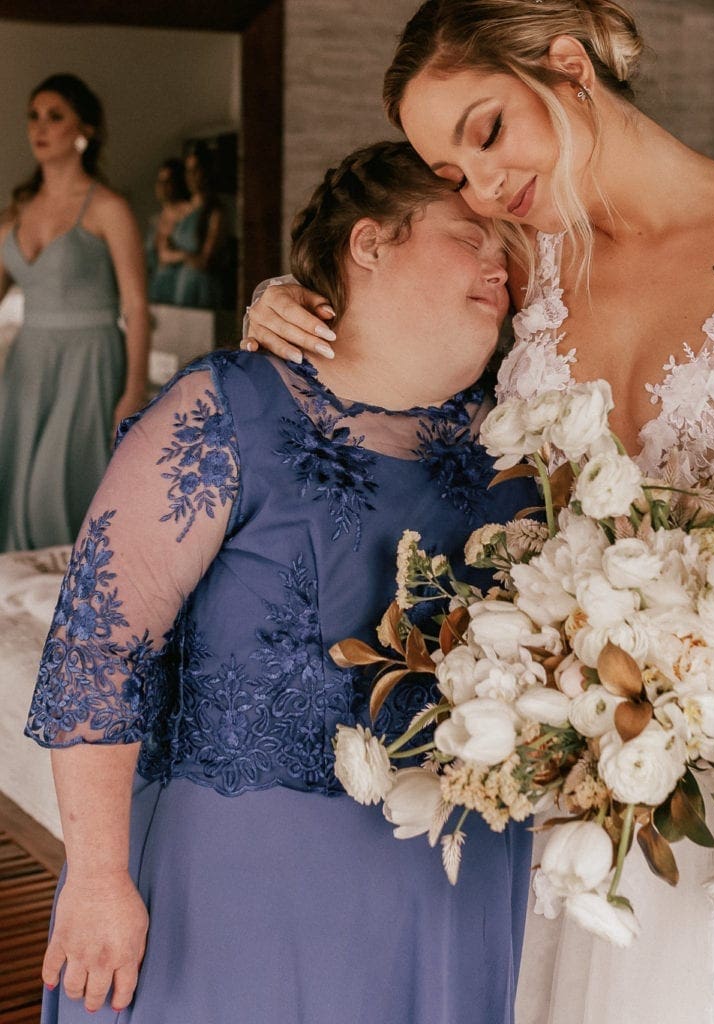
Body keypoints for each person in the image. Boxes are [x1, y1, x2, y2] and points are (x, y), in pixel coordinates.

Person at [244, 2, 714, 1022]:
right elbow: (394, 323)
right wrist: (286, 301)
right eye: (452, 175)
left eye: (488, 131)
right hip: (571, 763)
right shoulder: (525, 264)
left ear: (568, 65)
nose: (485, 186)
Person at [25, 139, 533, 1023]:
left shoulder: (519, 445)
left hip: (453, 882)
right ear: (369, 244)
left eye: (510, 246)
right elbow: (97, 641)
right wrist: (99, 877)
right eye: (470, 236)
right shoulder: (228, 406)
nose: (503, 263)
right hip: (231, 892)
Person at [0, 73, 150, 552]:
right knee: (17, 484)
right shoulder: (14, 213)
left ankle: (77, 607)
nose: (40, 128)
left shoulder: (108, 208)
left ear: (84, 129)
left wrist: (133, 392)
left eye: (55, 116)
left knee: (55, 490)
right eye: (34, 116)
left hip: (88, 362)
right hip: (27, 364)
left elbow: (137, 308)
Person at [157, 143, 227, 308]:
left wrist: (179, 256)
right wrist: (186, 256)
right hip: (178, 286)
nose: (191, 176)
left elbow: (205, 260)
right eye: (188, 171)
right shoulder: (182, 210)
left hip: (200, 288)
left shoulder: (214, 212)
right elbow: (163, 253)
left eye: (196, 170)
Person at [144, 157, 190, 304]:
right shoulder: (155, 220)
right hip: (156, 288)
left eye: (167, 182)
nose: (162, 187)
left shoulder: (188, 213)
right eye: (160, 182)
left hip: (181, 287)